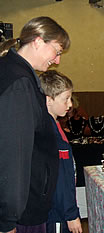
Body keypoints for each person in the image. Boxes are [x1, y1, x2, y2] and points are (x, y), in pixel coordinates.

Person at [0, 16, 70, 233]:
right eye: (57, 51)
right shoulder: (20, 83)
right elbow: (14, 154)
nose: (57, 60)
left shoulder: (15, 71)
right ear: (38, 41)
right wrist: (8, 219)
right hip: (23, 211)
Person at [39, 70, 82, 233]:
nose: (70, 104)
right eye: (66, 99)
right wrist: (70, 214)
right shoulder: (50, 134)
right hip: (56, 213)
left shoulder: (53, 124)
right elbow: (59, 178)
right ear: (49, 100)